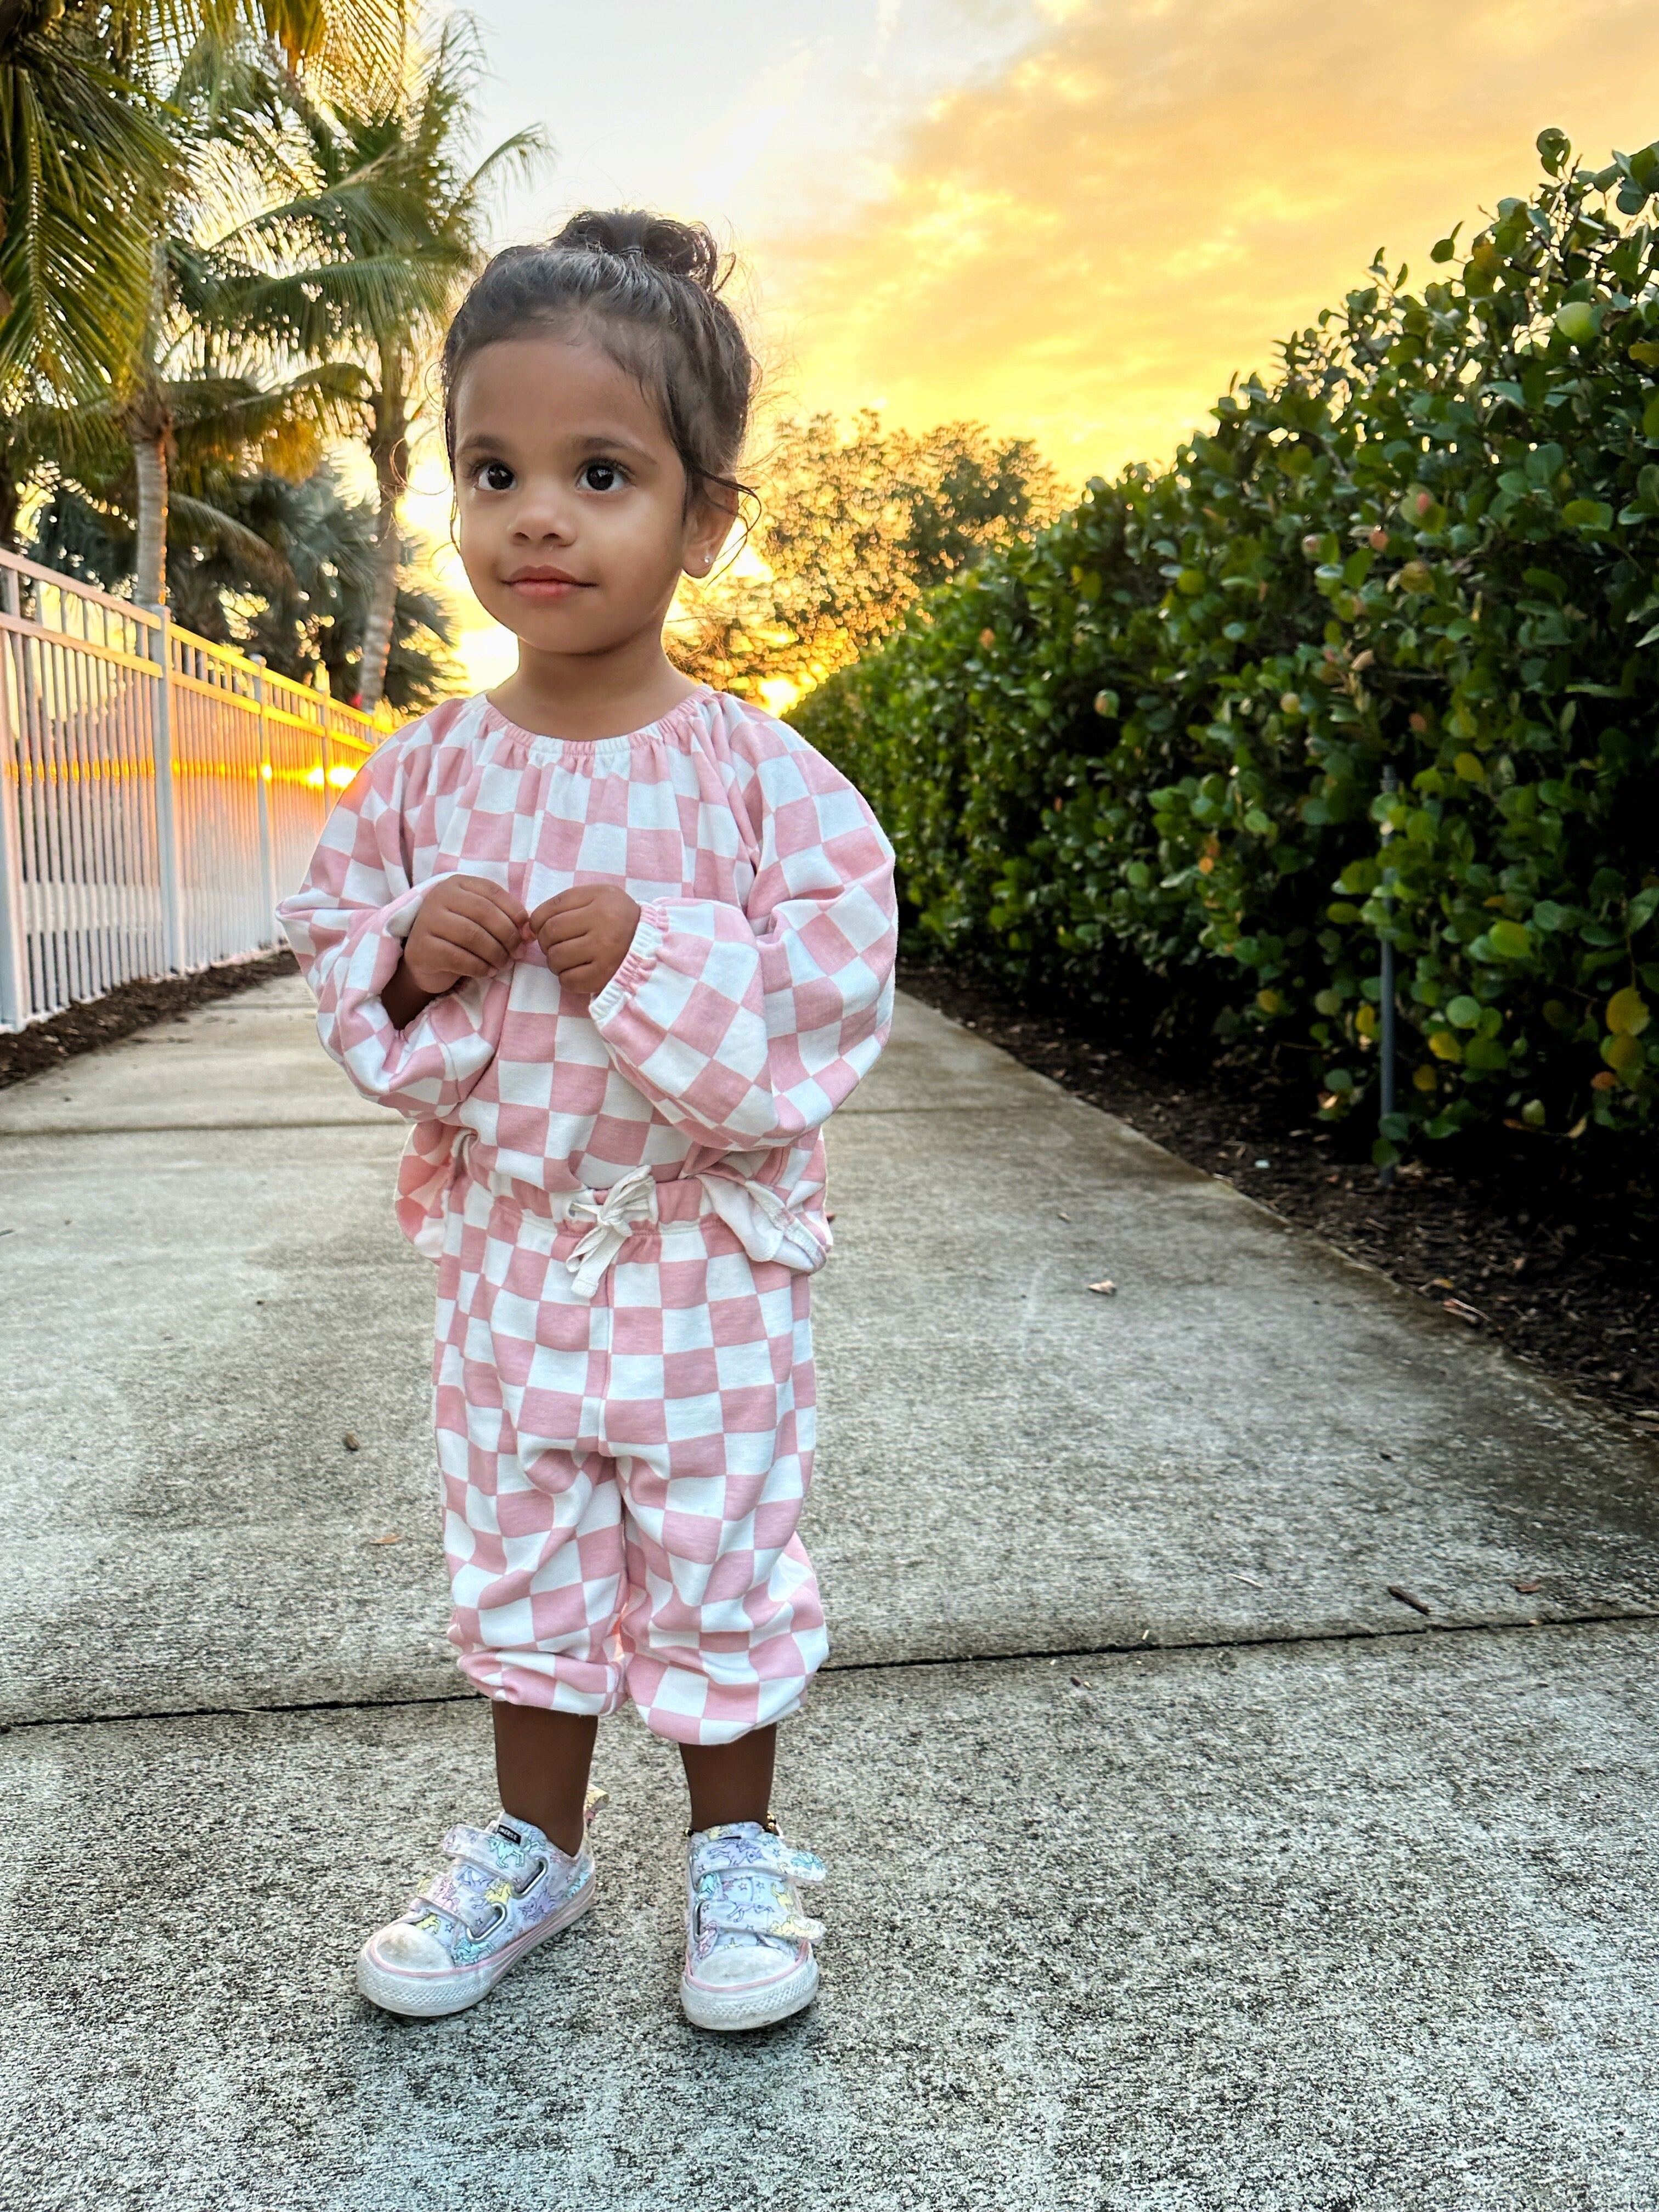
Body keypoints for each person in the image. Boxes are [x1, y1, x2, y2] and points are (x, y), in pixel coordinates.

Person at [278, 211, 896, 2033]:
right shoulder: (424, 777)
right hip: (510, 1252)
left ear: (705, 519)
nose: (537, 515)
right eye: (495, 470)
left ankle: (737, 1857)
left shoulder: (765, 784)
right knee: (525, 1548)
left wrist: (657, 956)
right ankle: (531, 1849)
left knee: (716, 1547)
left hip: (705, 1258)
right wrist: (406, 962)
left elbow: (832, 988)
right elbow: (335, 951)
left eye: (600, 473)